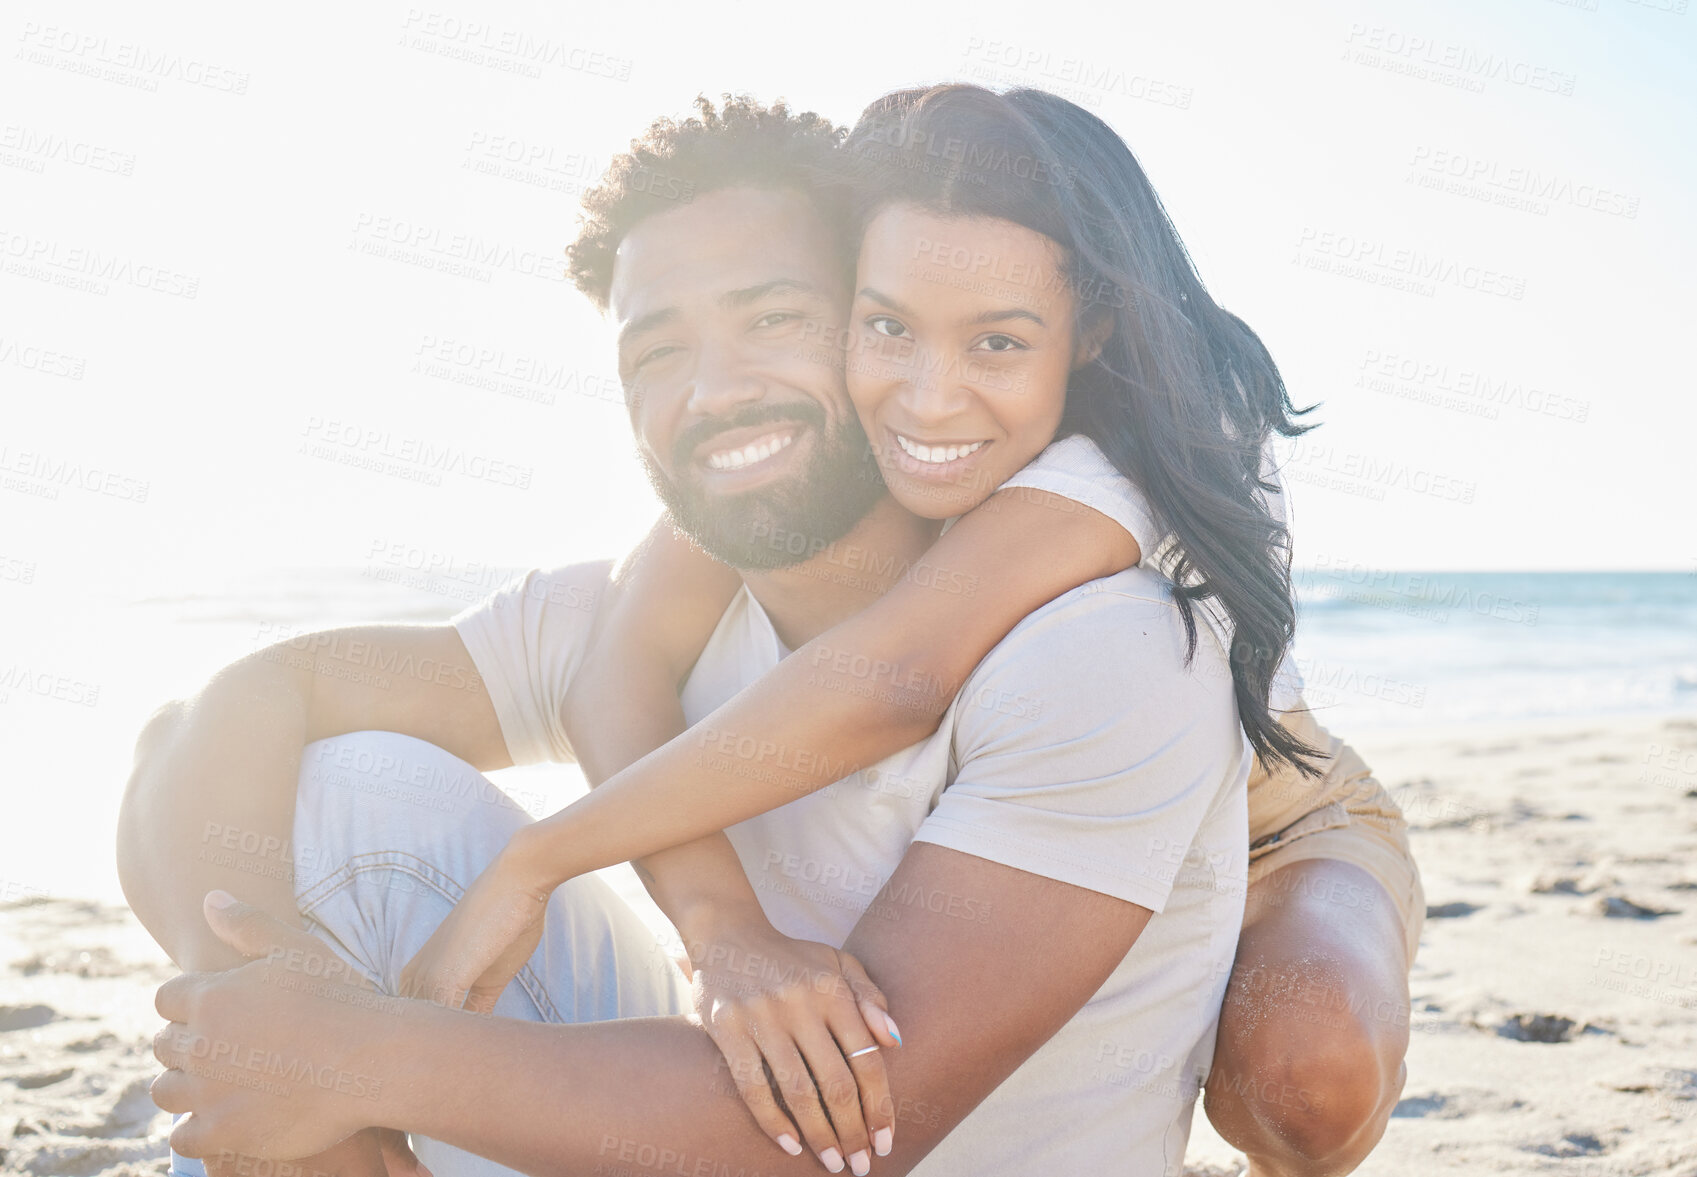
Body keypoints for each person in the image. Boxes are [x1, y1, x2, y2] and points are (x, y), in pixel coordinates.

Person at [120, 91, 1405, 1177]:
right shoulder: (653, 593)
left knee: (1306, 1064)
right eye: (656, 350)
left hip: (1275, 825)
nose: (716, 388)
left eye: (771, 318)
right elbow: (215, 715)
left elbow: (847, 1126)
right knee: (337, 798)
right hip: (714, 1107)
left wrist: (348, 1050)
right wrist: (258, 990)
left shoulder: (1100, 598)